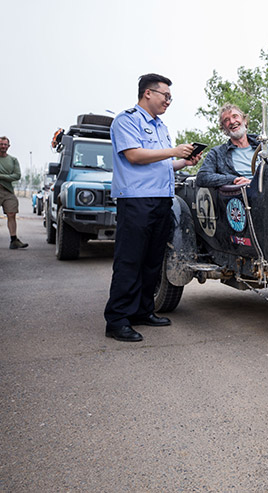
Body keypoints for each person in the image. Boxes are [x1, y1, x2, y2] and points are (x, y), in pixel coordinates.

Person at [104, 73, 202, 342]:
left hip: (161, 200)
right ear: (148, 93)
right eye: (165, 95)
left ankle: (142, 311)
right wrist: (173, 151)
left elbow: (160, 163)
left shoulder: (160, 126)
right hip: (136, 200)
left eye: (170, 97)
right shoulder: (127, 120)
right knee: (130, 260)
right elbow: (134, 156)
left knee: (151, 261)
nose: (168, 101)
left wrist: (185, 162)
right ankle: (117, 319)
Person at [196, 103, 259, 187]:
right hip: (240, 195)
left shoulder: (264, 146)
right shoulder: (217, 153)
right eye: (226, 120)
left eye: (235, 116)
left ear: (244, 120)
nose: (232, 122)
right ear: (224, 128)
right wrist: (233, 180)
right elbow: (202, 177)